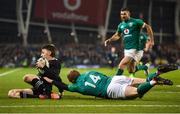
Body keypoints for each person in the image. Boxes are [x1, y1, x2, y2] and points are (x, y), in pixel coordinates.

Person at [44, 64, 178, 99]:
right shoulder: (90, 72)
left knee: (137, 92)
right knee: (143, 80)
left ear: (72, 80)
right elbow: (101, 75)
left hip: (110, 90)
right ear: (79, 73)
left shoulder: (76, 86)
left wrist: (52, 81)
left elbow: (64, 86)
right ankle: (158, 72)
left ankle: (154, 81)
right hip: (114, 78)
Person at [104, 8, 154, 76]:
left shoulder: (136, 21)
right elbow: (117, 35)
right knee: (131, 70)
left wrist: (152, 40)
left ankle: (114, 82)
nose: (123, 15)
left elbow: (148, 27)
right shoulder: (121, 25)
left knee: (121, 64)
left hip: (135, 48)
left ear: (129, 14)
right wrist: (109, 40)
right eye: (121, 14)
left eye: (124, 14)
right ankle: (145, 67)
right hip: (127, 49)